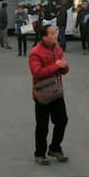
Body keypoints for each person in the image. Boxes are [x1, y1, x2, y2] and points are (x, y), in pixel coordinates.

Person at [29, 24, 70, 165]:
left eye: (55, 33)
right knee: (42, 125)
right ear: (44, 37)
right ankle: (39, 153)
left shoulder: (57, 49)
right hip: (42, 94)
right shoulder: (36, 52)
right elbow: (37, 73)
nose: (55, 35)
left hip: (57, 91)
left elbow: (64, 69)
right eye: (52, 33)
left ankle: (55, 147)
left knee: (62, 120)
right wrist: (56, 65)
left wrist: (64, 66)